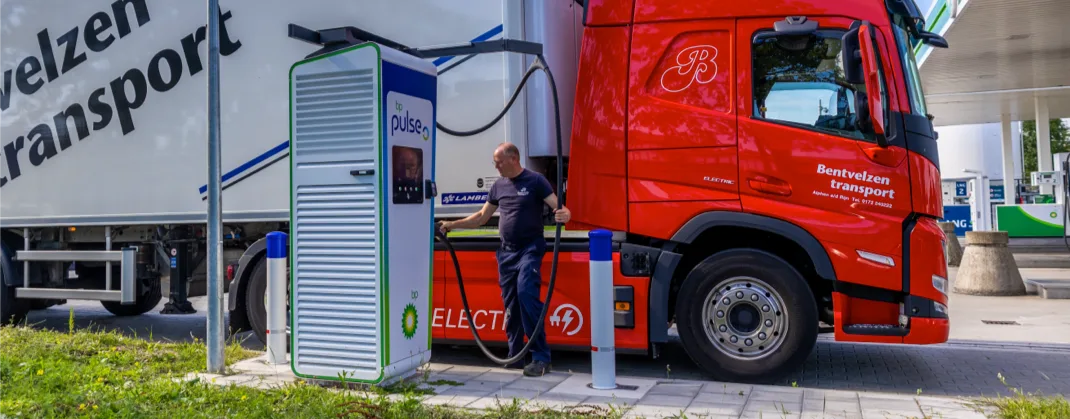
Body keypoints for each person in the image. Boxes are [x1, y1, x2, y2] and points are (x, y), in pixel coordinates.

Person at [439, 142, 570, 377]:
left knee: (526, 296)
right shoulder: (499, 186)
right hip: (506, 253)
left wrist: (565, 214)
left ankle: (541, 357)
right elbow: (481, 217)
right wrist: (452, 224)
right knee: (511, 306)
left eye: (498, 161)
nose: (496, 166)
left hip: (529, 250)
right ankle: (515, 355)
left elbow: (559, 207)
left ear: (513, 159)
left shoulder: (535, 181)